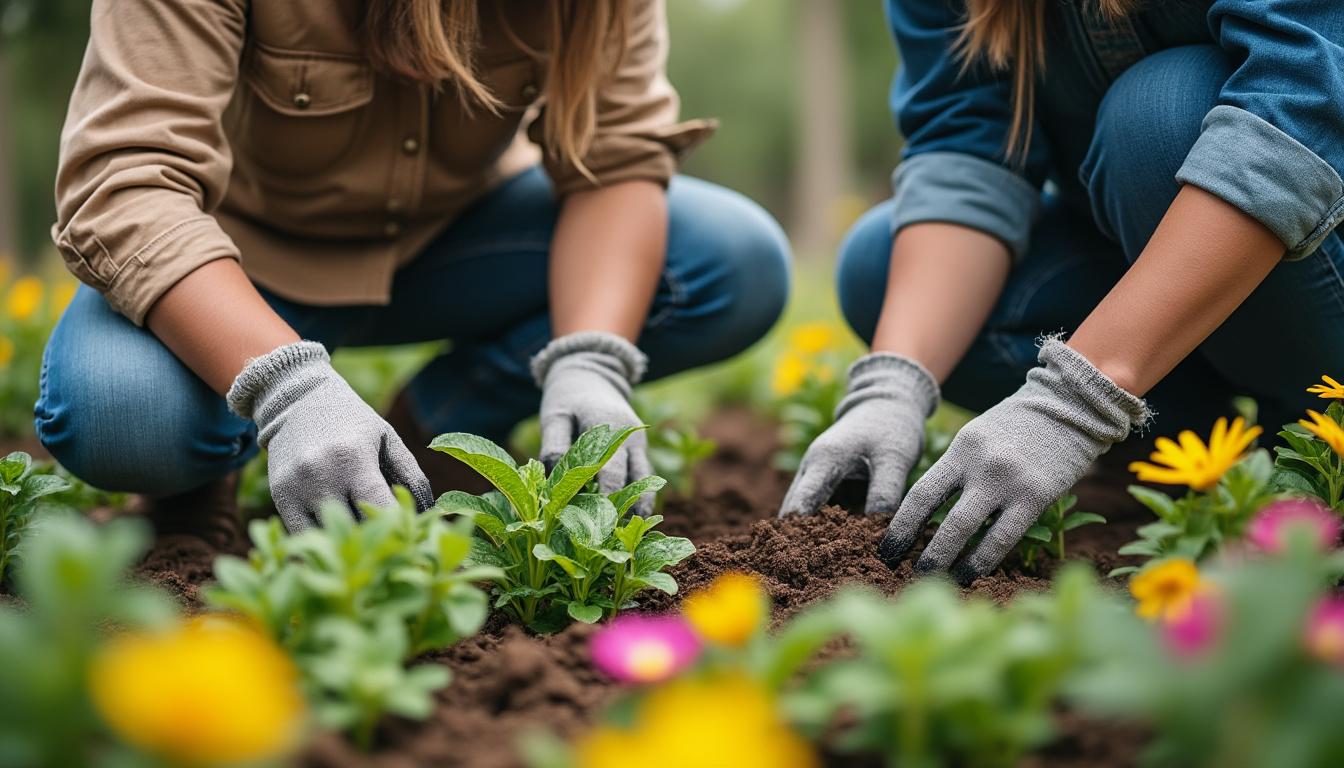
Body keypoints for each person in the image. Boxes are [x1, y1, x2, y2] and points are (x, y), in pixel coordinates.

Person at [36, 0, 789, 550]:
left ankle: (436, 423)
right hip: (235, 263)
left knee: (728, 261)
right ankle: (203, 473)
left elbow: (616, 156)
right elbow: (127, 181)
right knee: (122, 414)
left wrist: (589, 355)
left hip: (456, 247)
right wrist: (284, 388)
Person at [781, 0, 1344, 583]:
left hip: (1320, 244)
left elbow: (1306, 98)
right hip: (1138, 255)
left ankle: (1311, 450)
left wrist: (1074, 401)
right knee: (880, 268)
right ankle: (1190, 454)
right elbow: (967, 146)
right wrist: (891, 386)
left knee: (1155, 115)